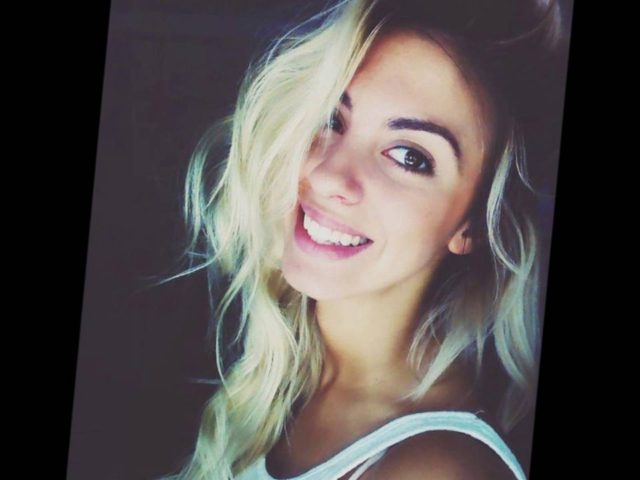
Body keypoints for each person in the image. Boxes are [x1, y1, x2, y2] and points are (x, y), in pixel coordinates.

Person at [165, 0, 568, 478]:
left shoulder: (436, 469)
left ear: (472, 225)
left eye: (409, 156)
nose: (330, 175)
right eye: (330, 119)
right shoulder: (286, 370)